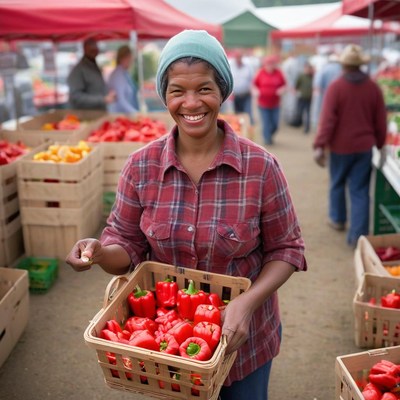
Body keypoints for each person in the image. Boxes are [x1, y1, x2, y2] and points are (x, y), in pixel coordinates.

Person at [66, 30, 307, 400]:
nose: (191, 103)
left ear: (223, 91)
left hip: (244, 342)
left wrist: (246, 301)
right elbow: (126, 245)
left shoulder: (261, 167)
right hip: (168, 348)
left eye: (205, 89)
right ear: (164, 95)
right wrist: (99, 253)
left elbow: (287, 250)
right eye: (178, 90)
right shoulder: (140, 167)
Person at [313, 44, 387, 248]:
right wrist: (381, 145)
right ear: (360, 65)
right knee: (360, 190)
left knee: (337, 183)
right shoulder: (373, 87)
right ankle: (358, 236)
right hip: (364, 148)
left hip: (339, 146)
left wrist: (319, 144)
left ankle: (337, 219)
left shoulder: (336, 87)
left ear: (344, 65)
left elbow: (327, 120)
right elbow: (380, 121)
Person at [67, 38, 115, 110]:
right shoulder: (79, 70)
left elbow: (96, 88)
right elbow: (76, 97)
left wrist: (108, 93)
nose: (95, 52)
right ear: (85, 49)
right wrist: (102, 99)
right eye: (92, 49)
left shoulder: (93, 66)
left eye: (96, 49)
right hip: (87, 116)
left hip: (98, 114)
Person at [253, 55, 286, 145]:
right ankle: (267, 139)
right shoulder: (260, 73)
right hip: (263, 103)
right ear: (265, 64)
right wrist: (256, 91)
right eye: (268, 64)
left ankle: (269, 134)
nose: (270, 66)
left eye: (272, 64)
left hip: (275, 103)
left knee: (275, 124)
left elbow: (284, 85)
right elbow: (254, 85)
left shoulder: (279, 73)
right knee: (266, 122)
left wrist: (281, 90)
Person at [107, 45, 139, 113]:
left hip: (126, 114)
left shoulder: (125, 73)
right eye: (130, 57)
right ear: (124, 58)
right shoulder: (118, 75)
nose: (131, 61)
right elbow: (121, 100)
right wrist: (136, 113)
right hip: (120, 115)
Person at [312, 52, 342, 126]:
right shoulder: (341, 69)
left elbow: (317, 84)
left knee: (324, 111)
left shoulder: (324, 68)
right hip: (339, 96)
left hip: (325, 95)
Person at [230, 50, 254, 124]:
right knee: (237, 115)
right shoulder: (230, 66)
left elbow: (252, 79)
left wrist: (252, 89)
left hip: (246, 94)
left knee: (247, 113)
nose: (238, 59)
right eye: (237, 57)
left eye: (239, 57)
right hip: (235, 95)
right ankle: (240, 130)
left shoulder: (248, 66)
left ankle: (249, 130)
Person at [295, 62, 313, 134]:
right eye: (306, 69)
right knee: (300, 112)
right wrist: (297, 92)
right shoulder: (301, 76)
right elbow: (297, 85)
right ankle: (299, 123)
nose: (307, 70)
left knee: (308, 113)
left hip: (309, 98)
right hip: (301, 97)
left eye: (309, 69)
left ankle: (307, 128)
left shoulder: (312, 76)